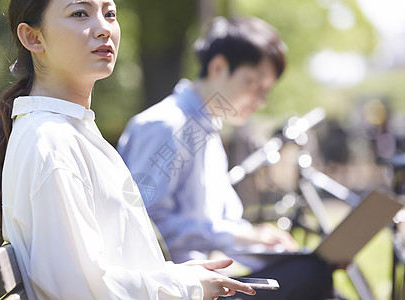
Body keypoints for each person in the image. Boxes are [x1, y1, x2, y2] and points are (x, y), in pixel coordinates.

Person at [0, 1, 257, 299]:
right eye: (80, 13)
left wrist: (177, 275)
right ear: (33, 38)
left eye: (110, 14)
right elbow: (81, 290)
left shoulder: (71, 131)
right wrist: (186, 286)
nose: (104, 28)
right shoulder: (51, 142)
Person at [118, 17, 335, 299]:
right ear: (219, 67)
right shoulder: (167, 126)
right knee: (310, 275)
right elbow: (143, 222)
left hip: (207, 281)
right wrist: (239, 236)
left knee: (311, 268)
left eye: (266, 90)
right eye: (254, 83)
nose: (260, 100)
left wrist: (268, 248)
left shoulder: (205, 128)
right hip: (176, 289)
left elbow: (219, 227)